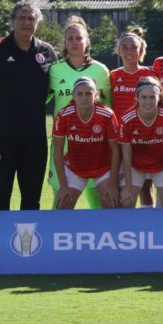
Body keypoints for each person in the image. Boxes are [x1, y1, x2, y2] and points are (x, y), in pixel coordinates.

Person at [0, 0, 58, 264]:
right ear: (13, 21)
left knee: (31, 198)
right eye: (22, 18)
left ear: (38, 22)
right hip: (2, 138)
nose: (26, 23)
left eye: (31, 18)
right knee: (1, 196)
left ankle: (27, 252)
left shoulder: (47, 52)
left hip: (35, 138)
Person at [47, 17, 112, 209]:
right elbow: (38, 101)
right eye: (70, 39)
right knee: (61, 201)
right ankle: (57, 237)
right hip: (64, 145)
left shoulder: (101, 71)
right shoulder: (54, 70)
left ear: (87, 42)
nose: (75, 42)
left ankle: (101, 237)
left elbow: (109, 108)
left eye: (79, 38)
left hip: (95, 147)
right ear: (65, 43)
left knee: (99, 202)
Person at [52, 78, 121, 210]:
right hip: (74, 168)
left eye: (88, 93)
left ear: (96, 95)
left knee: (112, 203)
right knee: (62, 205)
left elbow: (116, 150)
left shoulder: (107, 114)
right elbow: (58, 150)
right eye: (80, 94)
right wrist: (63, 185)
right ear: (73, 96)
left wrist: (112, 184)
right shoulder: (63, 115)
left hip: (103, 167)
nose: (84, 97)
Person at [118, 76, 163, 208]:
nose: (148, 101)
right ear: (136, 98)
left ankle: (162, 228)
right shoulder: (127, 119)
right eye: (144, 97)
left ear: (159, 97)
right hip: (135, 165)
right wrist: (128, 187)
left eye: (152, 97)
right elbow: (126, 156)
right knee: (126, 201)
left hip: (162, 165)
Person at [109, 30, 156, 119]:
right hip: (120, 128)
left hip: (143, 127)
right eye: (125, 48)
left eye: (134, 47)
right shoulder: (113, 75)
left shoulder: (151, 75)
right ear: (119, 51)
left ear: (141, 51)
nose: (129, 51)